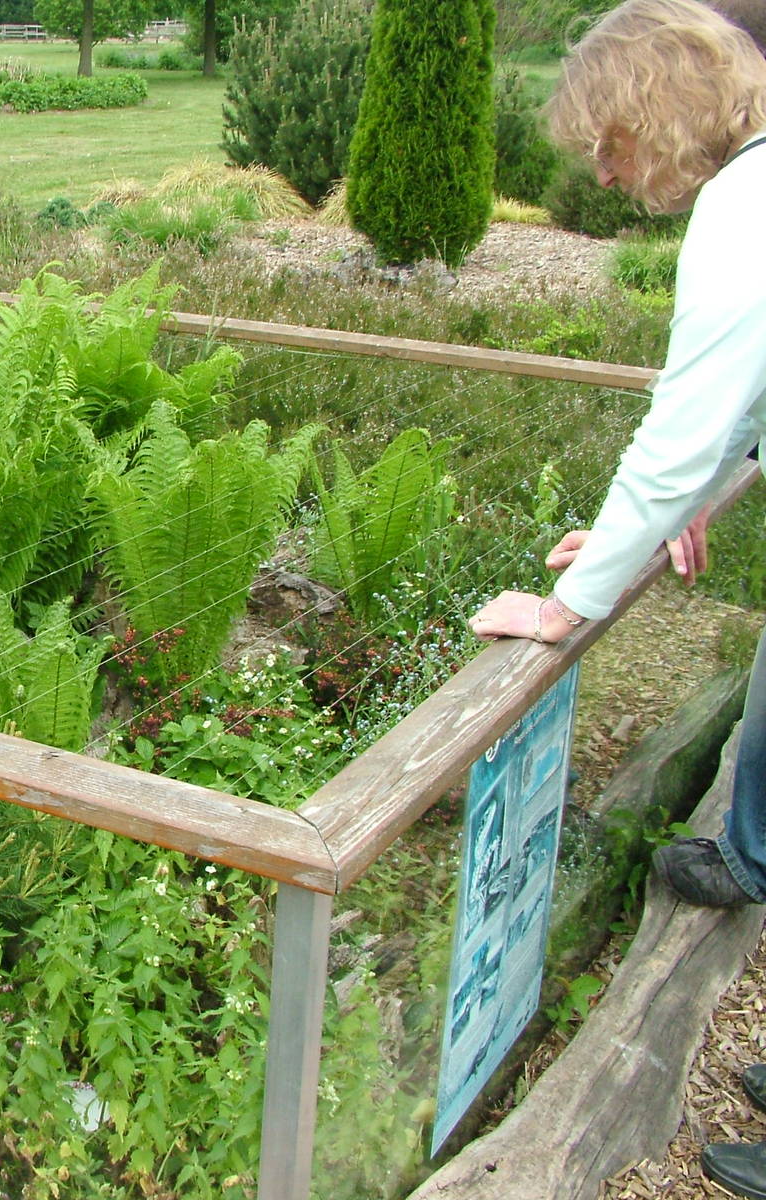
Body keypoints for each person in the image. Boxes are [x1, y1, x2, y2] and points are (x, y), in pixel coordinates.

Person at [469, 5, 766, 1193]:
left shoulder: (741, 208)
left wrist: (567, 609)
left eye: (609, 140)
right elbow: (735, 402)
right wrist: (680, 503)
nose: (601, 170)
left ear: (662, 112)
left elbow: (682, 422)